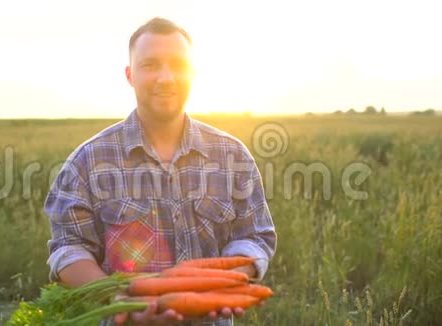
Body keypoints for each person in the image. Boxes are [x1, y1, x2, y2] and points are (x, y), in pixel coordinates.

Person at [44, 17, 277, 326]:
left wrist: (219, 285)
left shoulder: (231, 155)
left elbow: (256, 235)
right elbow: (69, 249)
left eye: (178, 65)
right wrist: (119, 301)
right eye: (150, 65)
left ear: (193, 73)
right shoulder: (87, 161)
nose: (166, 78)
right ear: (130, 75)